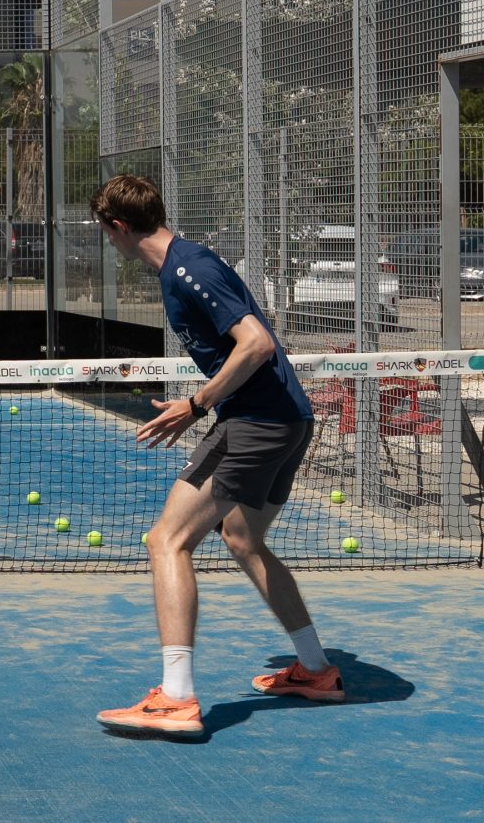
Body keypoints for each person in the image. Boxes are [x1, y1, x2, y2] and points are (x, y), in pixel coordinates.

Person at [88, 174, 337, 742]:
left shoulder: (187, 269)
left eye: (107, 233)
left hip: (257, 422)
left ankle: (176, 697)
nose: (109, 242)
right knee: (243, 540)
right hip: (283, 420)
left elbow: (257, 344)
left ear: (119, 228)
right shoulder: (183, 265)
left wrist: (195, 405)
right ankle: (317, 671)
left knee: (166, 541)